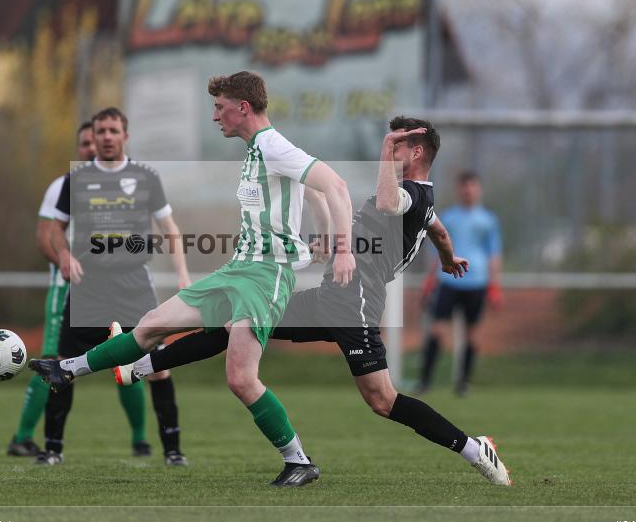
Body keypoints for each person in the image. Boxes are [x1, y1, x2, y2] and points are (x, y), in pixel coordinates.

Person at [112, 117, 513, 487]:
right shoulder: (424, 202)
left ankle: (476, 450)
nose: (390, 149)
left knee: (382, 400)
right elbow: (439, 231)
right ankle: (138, 367)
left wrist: (384, 156)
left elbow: (392, 205)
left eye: (398, 144)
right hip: (330, 297)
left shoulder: (409, 194)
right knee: (240, 322)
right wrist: (447, 258)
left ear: (417, 151)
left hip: (355, 303)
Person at [31, 71, 356, 487]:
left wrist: (342, 247)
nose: (215, 116)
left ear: (242, 107)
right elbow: (311, 192)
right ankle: (67, 370)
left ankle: (298, 461)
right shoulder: (259, 149)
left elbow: (336, 185)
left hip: (265, 276)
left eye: (219, 108)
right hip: (238, 269)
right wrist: (323, 235)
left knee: (240, 378)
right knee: (151, 325)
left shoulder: (272, 145)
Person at [36, 108, 193, 466]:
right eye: (101, 131)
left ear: (125, 135)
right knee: (63, 365)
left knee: (158, 366)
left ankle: (173, 451)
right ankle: (51, 450)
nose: (106, 137)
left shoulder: (146, 177)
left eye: (113, 130)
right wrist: (63, 256)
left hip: (133, 284)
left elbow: (170, 229)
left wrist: (182, 274)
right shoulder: (75, 179)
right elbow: (55, 230)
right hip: (88, 284)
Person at [6, 121, 97, 457]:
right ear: (79, 148)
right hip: (67, 287)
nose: (91, 147)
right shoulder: (63, 185)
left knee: (128, 353)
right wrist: (66, 262)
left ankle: (141, 441)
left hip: (112, 290)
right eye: (85, 142)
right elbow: (45, 236)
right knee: (52, 360)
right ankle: (24, 436)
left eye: (97, 140)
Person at [417, 171, 504, 396]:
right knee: (437, 331)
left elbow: (494, 255)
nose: (468, 191)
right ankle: (424, 381)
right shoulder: (449, 217)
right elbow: (438, 251)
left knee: (472, 334)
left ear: (478, 189)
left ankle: (463, 383)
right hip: (448, 281)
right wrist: (429, 281)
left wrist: (494, 286)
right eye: (464, 187)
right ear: (459, 189)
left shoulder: (488, 220)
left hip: (477, 282)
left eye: (472, 186)